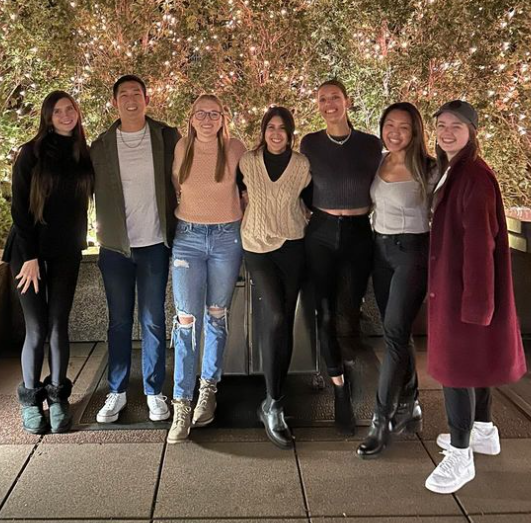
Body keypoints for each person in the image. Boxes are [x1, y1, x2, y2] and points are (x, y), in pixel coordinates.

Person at [424, 100, 526, 494]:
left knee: (457, 371)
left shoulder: (474, 177)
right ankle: (483, 430)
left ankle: (461, 454)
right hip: (461, 288)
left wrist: (477, 305)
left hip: (464, 292)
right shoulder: (458, 170)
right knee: (475, 363)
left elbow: (481, 244)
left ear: (472, 131)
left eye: (456, 126)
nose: (446, 133)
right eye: (441, 125)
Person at [91, 75, 181, 424]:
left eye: (136, 93)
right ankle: (116, 390)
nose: (131, 99)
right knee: (119, 321)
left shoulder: (166, 136)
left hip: (155, 243)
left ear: (147, 99)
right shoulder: (100, 145)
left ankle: (154, 391)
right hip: (116, 248)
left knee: (153, 319)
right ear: (115, 102)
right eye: (123, 94)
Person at [3, 91, 94, 434]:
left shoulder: (82, 153)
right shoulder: (31, 153)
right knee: (37, 327)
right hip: (28, 252)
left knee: (58, 325)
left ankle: (57, 398)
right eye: (58, 111)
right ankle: (31, 401)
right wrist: (29, 256)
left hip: (65, 251)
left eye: (70, 109)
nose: (66, 115)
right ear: (48, 117)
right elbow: (20, 208)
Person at [357, 102, 437, 458]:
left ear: (415, 131)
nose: (395, 132)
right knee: (398, 332)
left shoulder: (429, 168)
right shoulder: (378, 160)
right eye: (390, 124)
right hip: (380, 252)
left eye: (403, 126)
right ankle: (411, 404)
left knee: (392, 334)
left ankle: (381, 420)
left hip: (412, 253)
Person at [301, 80, 382, 432]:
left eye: (334, 97)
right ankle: (339, 390)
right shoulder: (309, 143)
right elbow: (301, 186)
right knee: (324, 314)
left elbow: (385, 183)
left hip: (358, 234)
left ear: (347, 101)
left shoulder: (370, 144)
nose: (329, 104)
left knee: (349, 314)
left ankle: (346, 365)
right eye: (322, 99)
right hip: (320, 232)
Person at [168, 94, 246, 443]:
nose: (207, 119)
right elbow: (178, 187)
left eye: (214, 114)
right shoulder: (182, 147)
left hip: (227, 239)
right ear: (192, 117)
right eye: (201, 113)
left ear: (223, 118)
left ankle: (207, 391)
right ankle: (181, 402)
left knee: (216, 315)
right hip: (188, 238)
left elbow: (248, 189)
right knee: (186, 320)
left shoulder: (235, 149)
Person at [237, 106, 311, 448]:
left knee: (286, 318)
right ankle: (272, 400)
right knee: (277, 315)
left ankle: (274, 402)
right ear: (263, 130)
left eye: (282, 128)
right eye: (271, 127)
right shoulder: (247, 162)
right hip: (256, 246)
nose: (276, 133)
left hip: (293, 245)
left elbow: (312, 200)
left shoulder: (301, 165)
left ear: (290, 133)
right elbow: (233, 194)